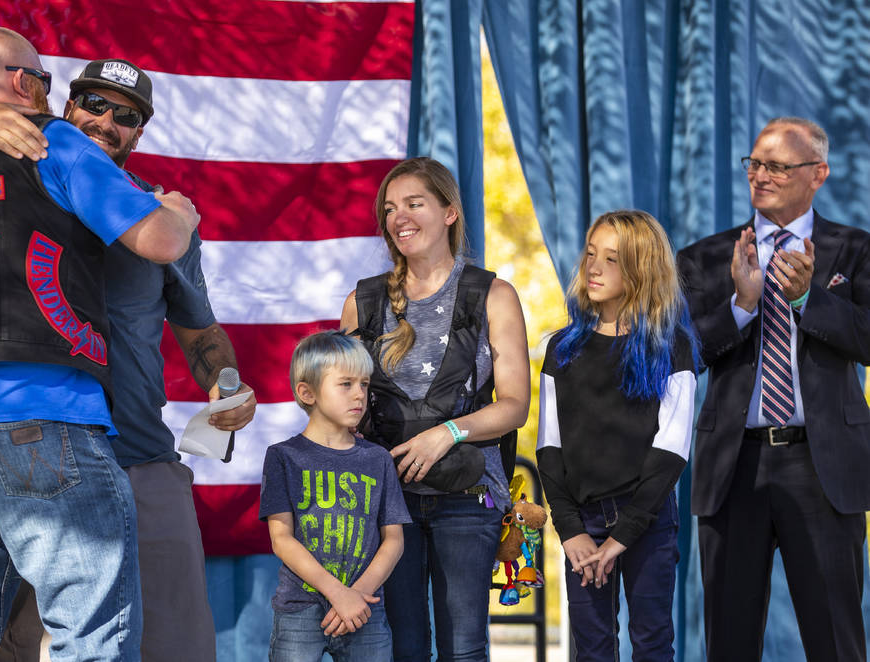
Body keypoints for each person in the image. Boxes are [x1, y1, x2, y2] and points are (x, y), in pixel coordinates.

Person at [0, 27, 199, 660]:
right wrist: (182, 216)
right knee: (91, 635)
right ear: (25, 83)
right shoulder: (51, 140)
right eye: (49, 85)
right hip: (43, 413)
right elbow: (161, 240)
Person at [0, 58, 257, 662]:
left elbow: (202, 337)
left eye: (125, 115)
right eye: (94, 104)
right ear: (66, 105)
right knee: (12, 646)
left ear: (140, 132)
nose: (106, 122)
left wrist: (229, 386)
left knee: (180, 644)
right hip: (33, 456)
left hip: (137, 453)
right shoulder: (12, 190)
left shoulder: (166, 220)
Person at [677, 117, 870, 661]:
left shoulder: (855, 250)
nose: (760, 176)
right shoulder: (706, 257)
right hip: (733, 467)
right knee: (730, 642)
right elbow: (680, 356)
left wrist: (810, 299)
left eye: (777, 167)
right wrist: (740, 306)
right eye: (754, 164)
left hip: (823, 466)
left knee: (836, 641)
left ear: (818, 174)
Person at [339, 156, 531, 661]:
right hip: (387, 503)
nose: (399, 217)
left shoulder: (493, 294)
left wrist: (448, 432)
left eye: (414, 204)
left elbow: (514, 406)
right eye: (389, 208)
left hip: (467, 497)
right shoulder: (363, 302)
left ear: (449, 212)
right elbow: (341, 403)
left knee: (464, 648)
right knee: (403, 647)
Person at [536, 210, 698, 660]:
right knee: (592, 647)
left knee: (651, 642)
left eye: (612, 258)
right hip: (581, 525)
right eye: (591, 254)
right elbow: (550, 447)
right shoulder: (561, 348)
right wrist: (570, 531)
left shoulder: (672, 346)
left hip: (647, 522)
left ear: (641, 270)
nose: (594, 267)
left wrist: (623, 535)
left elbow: (671, 451)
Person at [258, 330, 409, 662]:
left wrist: (357, 595)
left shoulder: (378, 459)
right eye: (346, 384)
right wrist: (338, 593)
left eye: (365, 385)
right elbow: (281, 539)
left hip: (365, 611)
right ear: (307, 392)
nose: (359, 395)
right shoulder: (284, 457)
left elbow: (394, 539)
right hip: (299, 610)